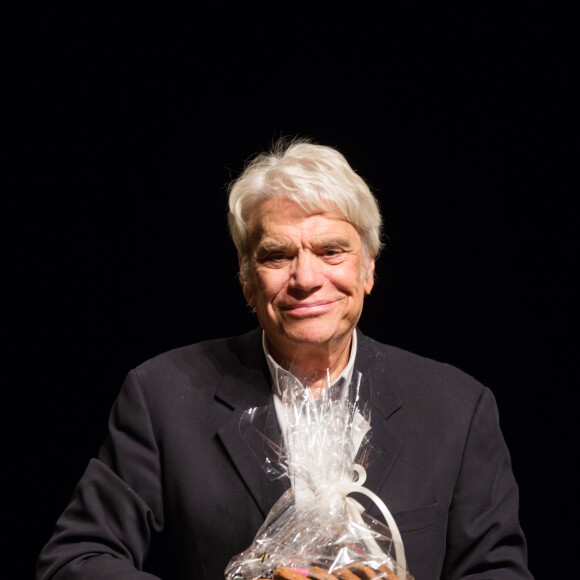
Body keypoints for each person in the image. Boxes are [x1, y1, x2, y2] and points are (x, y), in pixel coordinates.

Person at [36, 139, 533, 579]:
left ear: (369, 267)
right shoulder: (163, 396)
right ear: (246, 276)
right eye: (277, 256)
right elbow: (75, 558)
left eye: (332, 251)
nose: (306, 278)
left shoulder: (456, 409)